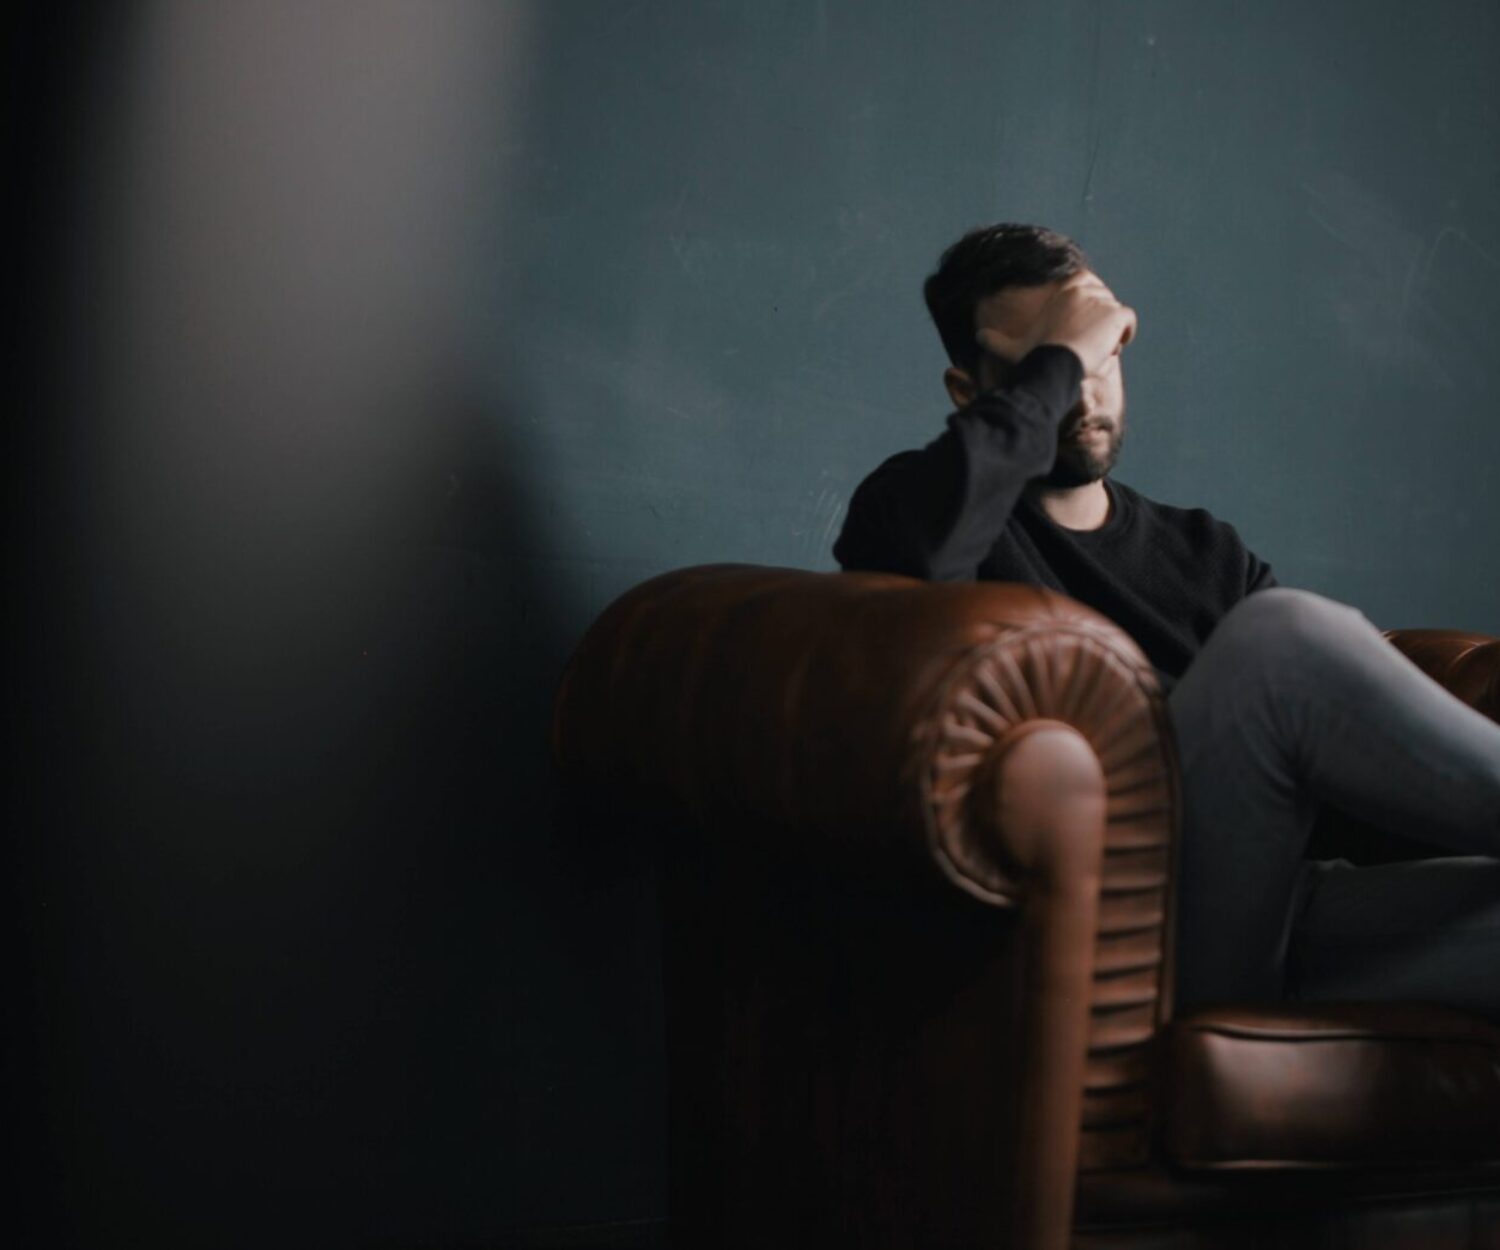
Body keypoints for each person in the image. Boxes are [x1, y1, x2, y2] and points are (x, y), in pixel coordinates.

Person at [834, 222, 1500, 1019]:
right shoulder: (916, 508)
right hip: (1130, 939)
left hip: (1286, 923)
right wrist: (1066, 352)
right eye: (1052, 364)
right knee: (1282, 639)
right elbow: (919, 559)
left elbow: (1333, 789)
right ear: (970, 392)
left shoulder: (1205, 551)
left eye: (1103, 356)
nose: (1084, 392)